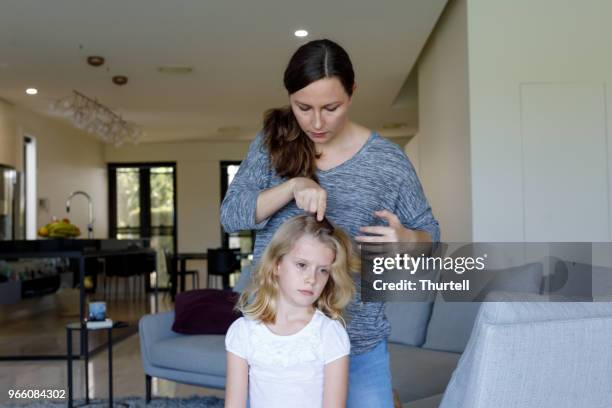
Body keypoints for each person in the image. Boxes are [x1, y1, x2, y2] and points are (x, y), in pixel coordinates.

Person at [221, 38, 439, 407]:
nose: (317, 122)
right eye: (303, 107)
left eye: (331, 108)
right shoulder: (272, 144)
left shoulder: (387, 162)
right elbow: (231, 215)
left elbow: (430, 238)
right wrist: (291, 187)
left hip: (358, 341)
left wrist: (405, 239)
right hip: (275, 337)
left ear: (352, 93)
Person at [224, 214, 357, 408]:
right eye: (302, 265)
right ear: (277, 265)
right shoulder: (243, 332)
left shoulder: (330, 334)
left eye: (323, 270)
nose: (312, 279)